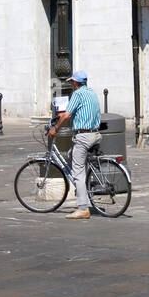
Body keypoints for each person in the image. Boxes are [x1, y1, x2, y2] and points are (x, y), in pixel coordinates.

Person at [47, 71, 102, 220]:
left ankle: (83, 208)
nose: (71, 85)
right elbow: (79, 110)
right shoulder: (91, 92)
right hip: (95, 134)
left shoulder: (77, 94)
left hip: (84, 136)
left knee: (78, 171)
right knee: (72, 155)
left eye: (72, 82)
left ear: (76, 83)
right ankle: (84, 186)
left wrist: (55, 129)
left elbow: (67, 115)